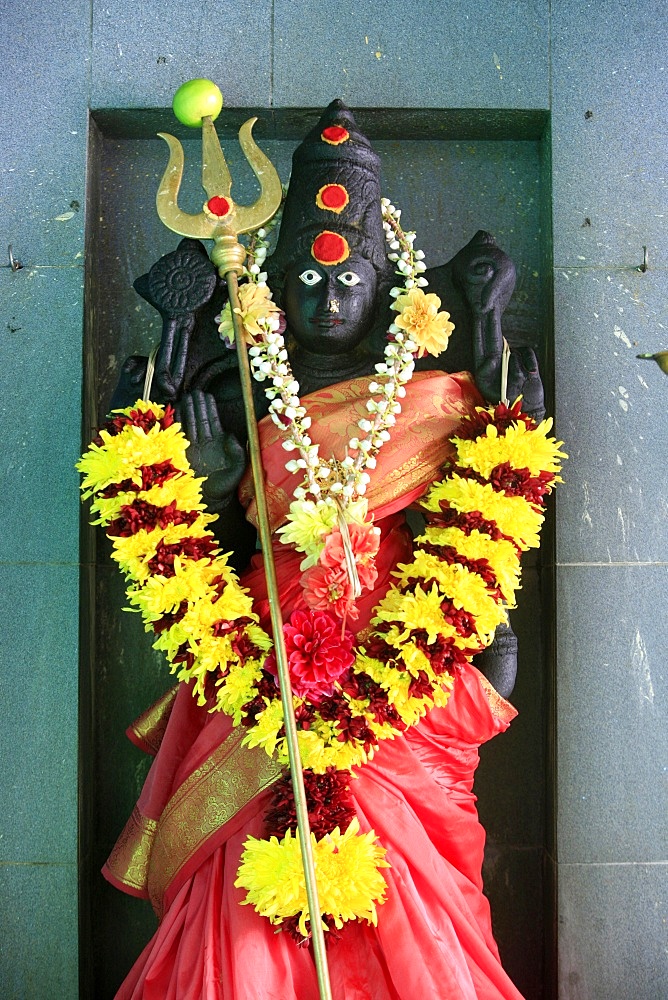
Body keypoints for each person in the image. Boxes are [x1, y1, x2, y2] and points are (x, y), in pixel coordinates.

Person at [102, 101, 546, 999]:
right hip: (262, 665)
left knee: (415, 882)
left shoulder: (433, 392)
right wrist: (215, 469)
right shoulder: (237, 392)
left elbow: (494, 509)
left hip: (401, 669)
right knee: (244, 881)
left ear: (386, 287)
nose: (328, 294)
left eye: (349, 279)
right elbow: (173, 524)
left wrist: (491, 333)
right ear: (269, 291)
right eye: (304, 277)